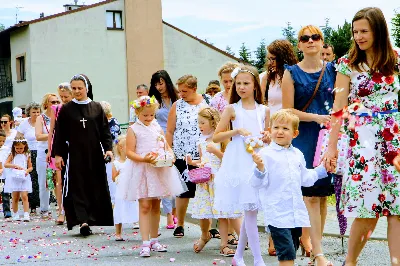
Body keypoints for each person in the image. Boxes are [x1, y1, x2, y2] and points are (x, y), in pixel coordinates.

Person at [324, 7, 400, 266]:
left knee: (397, 210)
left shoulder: (398, 59)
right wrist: (331, 147)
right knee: (369, 209)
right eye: (355, 31)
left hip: (396, 140)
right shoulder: (347, 63)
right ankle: (351, 262)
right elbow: (339, 107)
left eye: (364, 31)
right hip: (364, 142)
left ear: (378, 30)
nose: (358, 36)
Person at [281, 25, 336, 265]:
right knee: (310, 196)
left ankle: (316, 247)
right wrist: (316, 118)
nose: (311, 41)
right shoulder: (291, 72)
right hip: (304, 136)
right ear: (299, 45)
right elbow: (287, 110)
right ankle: (318, 252)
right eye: (305, 38)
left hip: (328, 138)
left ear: (322, 42)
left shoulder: (334, 69)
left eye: (315, 37)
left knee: (322, 196)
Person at [251, 109, 329, 266]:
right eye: (276, 128)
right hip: (277, 215)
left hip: (295, 215)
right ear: (270, 130)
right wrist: (259, 169)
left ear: (295, 133)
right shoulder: (266, 154)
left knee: (291, 253)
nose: (280, 132)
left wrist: (323, 170)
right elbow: (256, 183)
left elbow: (305, 179)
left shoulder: (297, 154)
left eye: (285, 128)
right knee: (286, 256)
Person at [213, 64, 269, 266]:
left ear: (255, 85)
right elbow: (216, 135)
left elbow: (268, 136)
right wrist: (236, 132)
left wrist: (268, 136)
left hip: (257, 160)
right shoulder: (231, 109)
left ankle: (238, 256)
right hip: (238, 161)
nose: (241, 87)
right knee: (250, 209)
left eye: (246, 83)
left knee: (250, 209)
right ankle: (257, 258)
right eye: (238, 84)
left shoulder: (264, 110)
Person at [121, 95, 186, 257]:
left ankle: (154, 239)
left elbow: (164, 144)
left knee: (156, 206)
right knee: (144, 205)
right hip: (142, 170)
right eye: (145, 115)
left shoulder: (156, 126)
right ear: (137, 113)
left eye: (151, 115)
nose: (149, 118)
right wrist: (143, 158)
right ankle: (144, 242)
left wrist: (170, 156)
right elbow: (129, 152)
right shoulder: (133, 129)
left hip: (158, 168)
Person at [53, 74, 114, 236]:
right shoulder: (66, 109)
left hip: (94, 154)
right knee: (77, 187)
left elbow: (104, 131)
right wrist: (58, 154)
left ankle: (93, 218)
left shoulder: (97, 107)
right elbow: (59, 133)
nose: (77, 91)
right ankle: (82, 221)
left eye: (80, 88)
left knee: (94, 186)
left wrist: (108, 148)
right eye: (74, 88)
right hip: (75, 155)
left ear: (87, 88)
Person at [187, 107, 241, 256]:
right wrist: (194, 162)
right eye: (198, 123)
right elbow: (203, 160)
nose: (199, 126)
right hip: (205, 182)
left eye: (202, 123)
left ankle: (224, 244)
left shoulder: (222, 138)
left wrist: (215, 151)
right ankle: (205, 236)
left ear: (212, 123)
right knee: (204, 213)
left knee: (222, 213)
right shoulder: (201, 141)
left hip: (219, 180)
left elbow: (229, 159)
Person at [166, 75, 211, 238]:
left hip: (203, 155)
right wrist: (169, 151)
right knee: (183, 190)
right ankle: (180, 224)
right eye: (180, 91)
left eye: (184, 91)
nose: (181, 94)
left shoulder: (206, 103)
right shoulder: (177, 105)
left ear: (194, 88)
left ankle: (209, 227)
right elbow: (170, 130)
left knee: (206, 190)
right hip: (181, 155)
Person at [149, 70, 179, 229]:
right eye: (156, 84)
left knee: (178, 178)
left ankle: (174, 211)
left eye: (161, 83)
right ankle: (168, 215)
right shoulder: (154, 101)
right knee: (166, 178)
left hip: (177, 139)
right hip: (159, 140)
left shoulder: (178, 98)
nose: (159, 87)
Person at [47, 82, 73, 225]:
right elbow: (52, 130)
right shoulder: (56, 109)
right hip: (59, 146)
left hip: (73, 145)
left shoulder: (75, 108)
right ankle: (61, 210)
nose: (63, 99)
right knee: (60, 180)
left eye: (65, 96)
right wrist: (50, 150)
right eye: (61, 96)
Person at [35, 94, 61, 219]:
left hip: (58, 151)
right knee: (44, 181)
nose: (55, 103)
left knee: (59, 180)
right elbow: (38, 136)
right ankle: (44, 208)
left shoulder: (60, 116)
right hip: (44, 152)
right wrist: (52, 134)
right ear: (46, 104)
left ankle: (61, 207)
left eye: (57, 101)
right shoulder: (41, 118)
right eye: (52, 102)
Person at [112, 134, 138, 241]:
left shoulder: (131, 161)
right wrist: (118, 174)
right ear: (121, 148)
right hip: (120, 190)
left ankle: (136, 222)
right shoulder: (116, 163)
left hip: (131, 188)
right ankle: (118, 232)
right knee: (119, 209)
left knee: (135, 206)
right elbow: (113, 178)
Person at [17, 103, 41, 216]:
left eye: (38, 112)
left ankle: (43, 203)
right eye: (34, 112)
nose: (36, 114)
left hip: (41, 151)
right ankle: (33, 205)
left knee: (42, 178)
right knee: (32, 179)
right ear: (29, 113)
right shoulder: (24, 124)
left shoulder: (43, 121)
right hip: (29, 153)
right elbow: (18, 138)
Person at [4, 137, 33, 222]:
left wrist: (27, 171)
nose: (19, 150)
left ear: (25, 146)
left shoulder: (27, 155)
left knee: (24, 196)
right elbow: (6, 164)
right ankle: (15, 213)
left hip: (23, 176)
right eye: (17, 148)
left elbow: (31, 167)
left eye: (21, 148)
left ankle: (26, 214)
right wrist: (14, 166)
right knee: (15, 197)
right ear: (14, 147)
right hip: (14, 177)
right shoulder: (12, 154)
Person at [100, 100, 121, 209]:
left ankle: (113, 203)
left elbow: (113, 138)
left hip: (110, 155)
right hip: (100, 154)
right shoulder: (99, 122)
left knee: (111, 179)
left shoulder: (112, 122)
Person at [0, 115, 18, 218]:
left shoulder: (7, 148)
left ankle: (7, 210)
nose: (3, 124)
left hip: (5, 169)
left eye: (5, 122)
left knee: (5, 190)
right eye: (1, 122)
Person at [0, 130, 10, 218]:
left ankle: (7, 210)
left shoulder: (6, 149)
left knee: (5, 193)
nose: (1, 143)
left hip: (4, 174)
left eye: (3, 141)